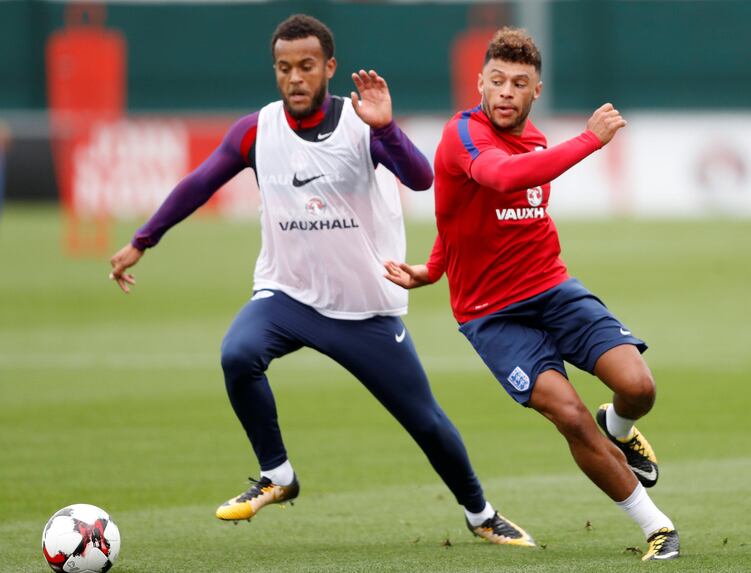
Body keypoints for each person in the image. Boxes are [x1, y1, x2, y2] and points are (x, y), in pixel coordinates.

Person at [109, 14, 534, 547]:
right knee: (238, 354)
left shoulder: (360, 124)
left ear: (329, 67)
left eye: (306, 66)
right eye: (284, 68)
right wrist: (142, 240)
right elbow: (198, 184)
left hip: (363, 308)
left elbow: (422, 179)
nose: (295, 78)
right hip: (287, 296)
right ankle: (278, 476)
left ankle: (481, 513)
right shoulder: (255, 130)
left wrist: (385, 127)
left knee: (425, 421)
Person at [384, 27, 680, 561]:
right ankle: (657, 527)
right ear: (479, 82)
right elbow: (498, 180)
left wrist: (432, 267)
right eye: (496, 80)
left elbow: (466, 216)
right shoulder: (464, 135)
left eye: (518, 83)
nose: (504, 91)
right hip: (492, 316)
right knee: (568, 414)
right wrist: (589, 139)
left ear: (535, 91)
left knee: (639, 387)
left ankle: (620, 427)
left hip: (553, 288)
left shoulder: (537, 141)